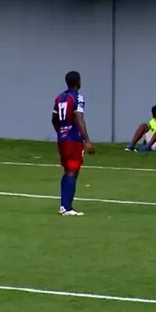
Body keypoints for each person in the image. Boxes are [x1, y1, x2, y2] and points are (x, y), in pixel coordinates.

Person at [51, 71, 95, 216]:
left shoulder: (59, 98)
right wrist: (86, 140)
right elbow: (79, 118)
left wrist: (61, 132)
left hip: (62, 138)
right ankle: (66, 207)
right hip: (73, 139)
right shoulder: (77, 97)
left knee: (68, 170)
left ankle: (64, 205)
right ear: (78, 82)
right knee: (72, 170)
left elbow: (54, 119)